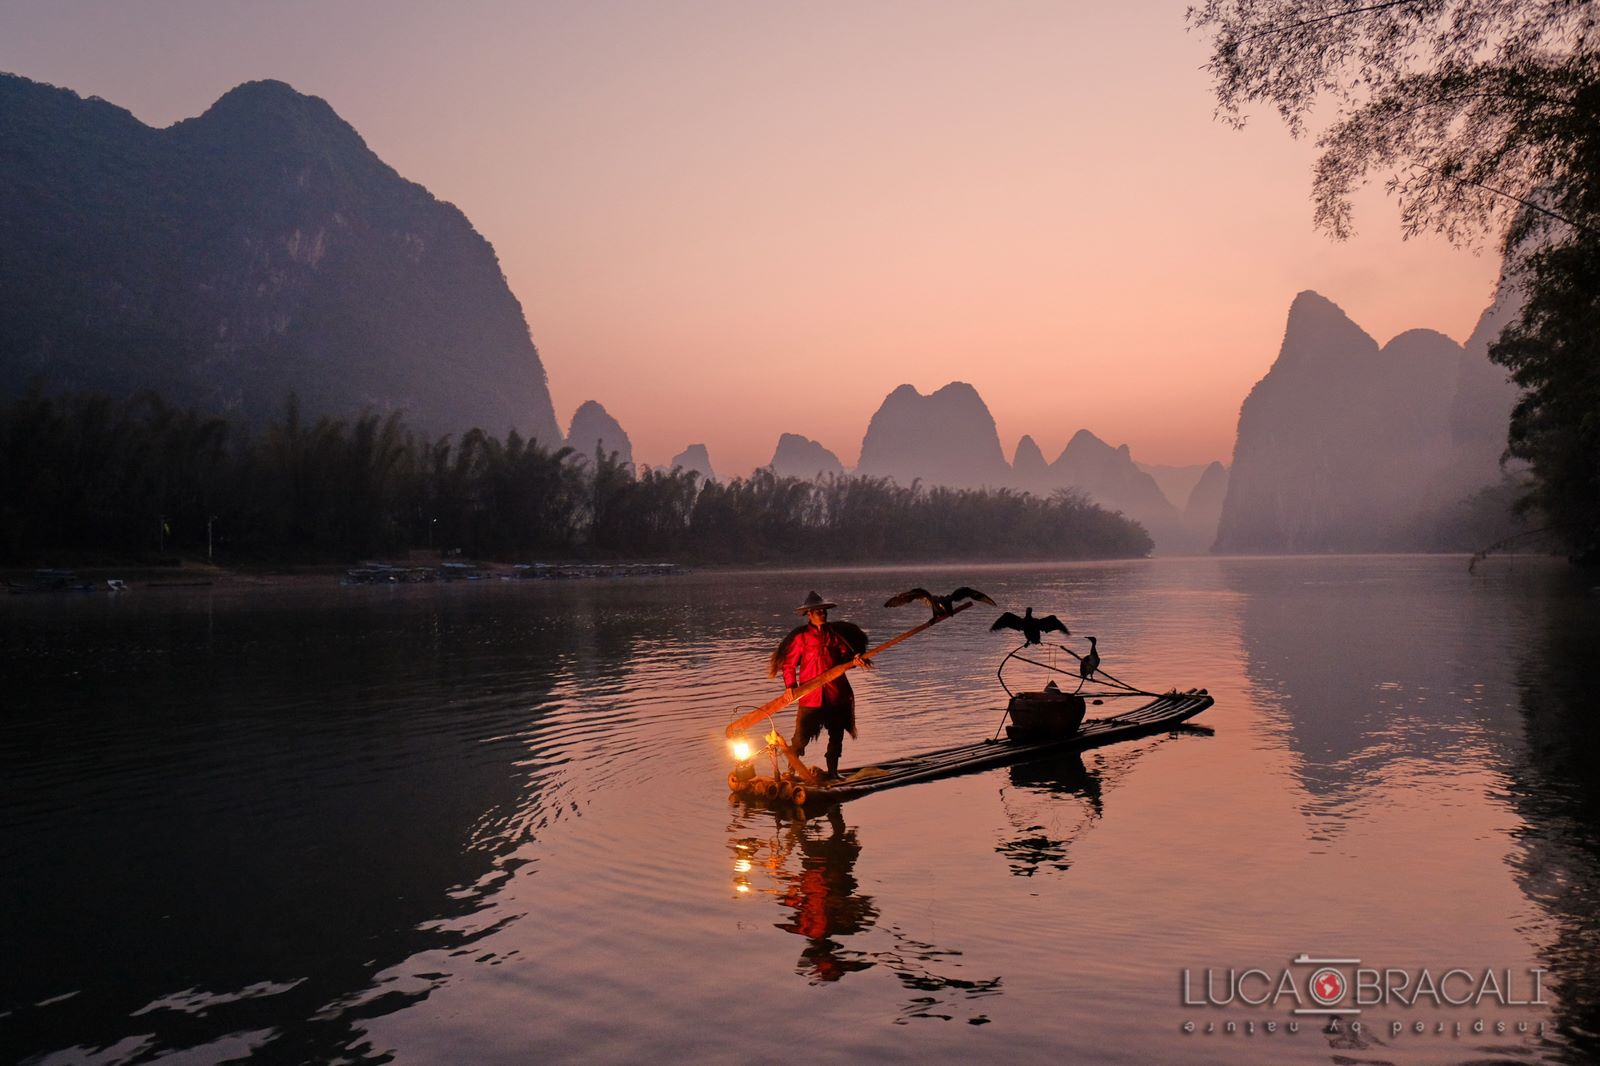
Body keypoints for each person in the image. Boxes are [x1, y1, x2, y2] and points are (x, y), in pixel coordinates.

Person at [769, 591, 870, 778]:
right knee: (800, 740)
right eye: (818, 612)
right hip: (810, 697)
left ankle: (832, 773)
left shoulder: (835, 635)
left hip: (836, 695)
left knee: (836, 736)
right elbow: (789, 664)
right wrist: (790, 686)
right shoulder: (801, 638)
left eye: (824, 611)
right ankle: (791, 772)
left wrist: (855, 660)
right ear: (809, 614)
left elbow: (846, 658)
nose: (822, 614)